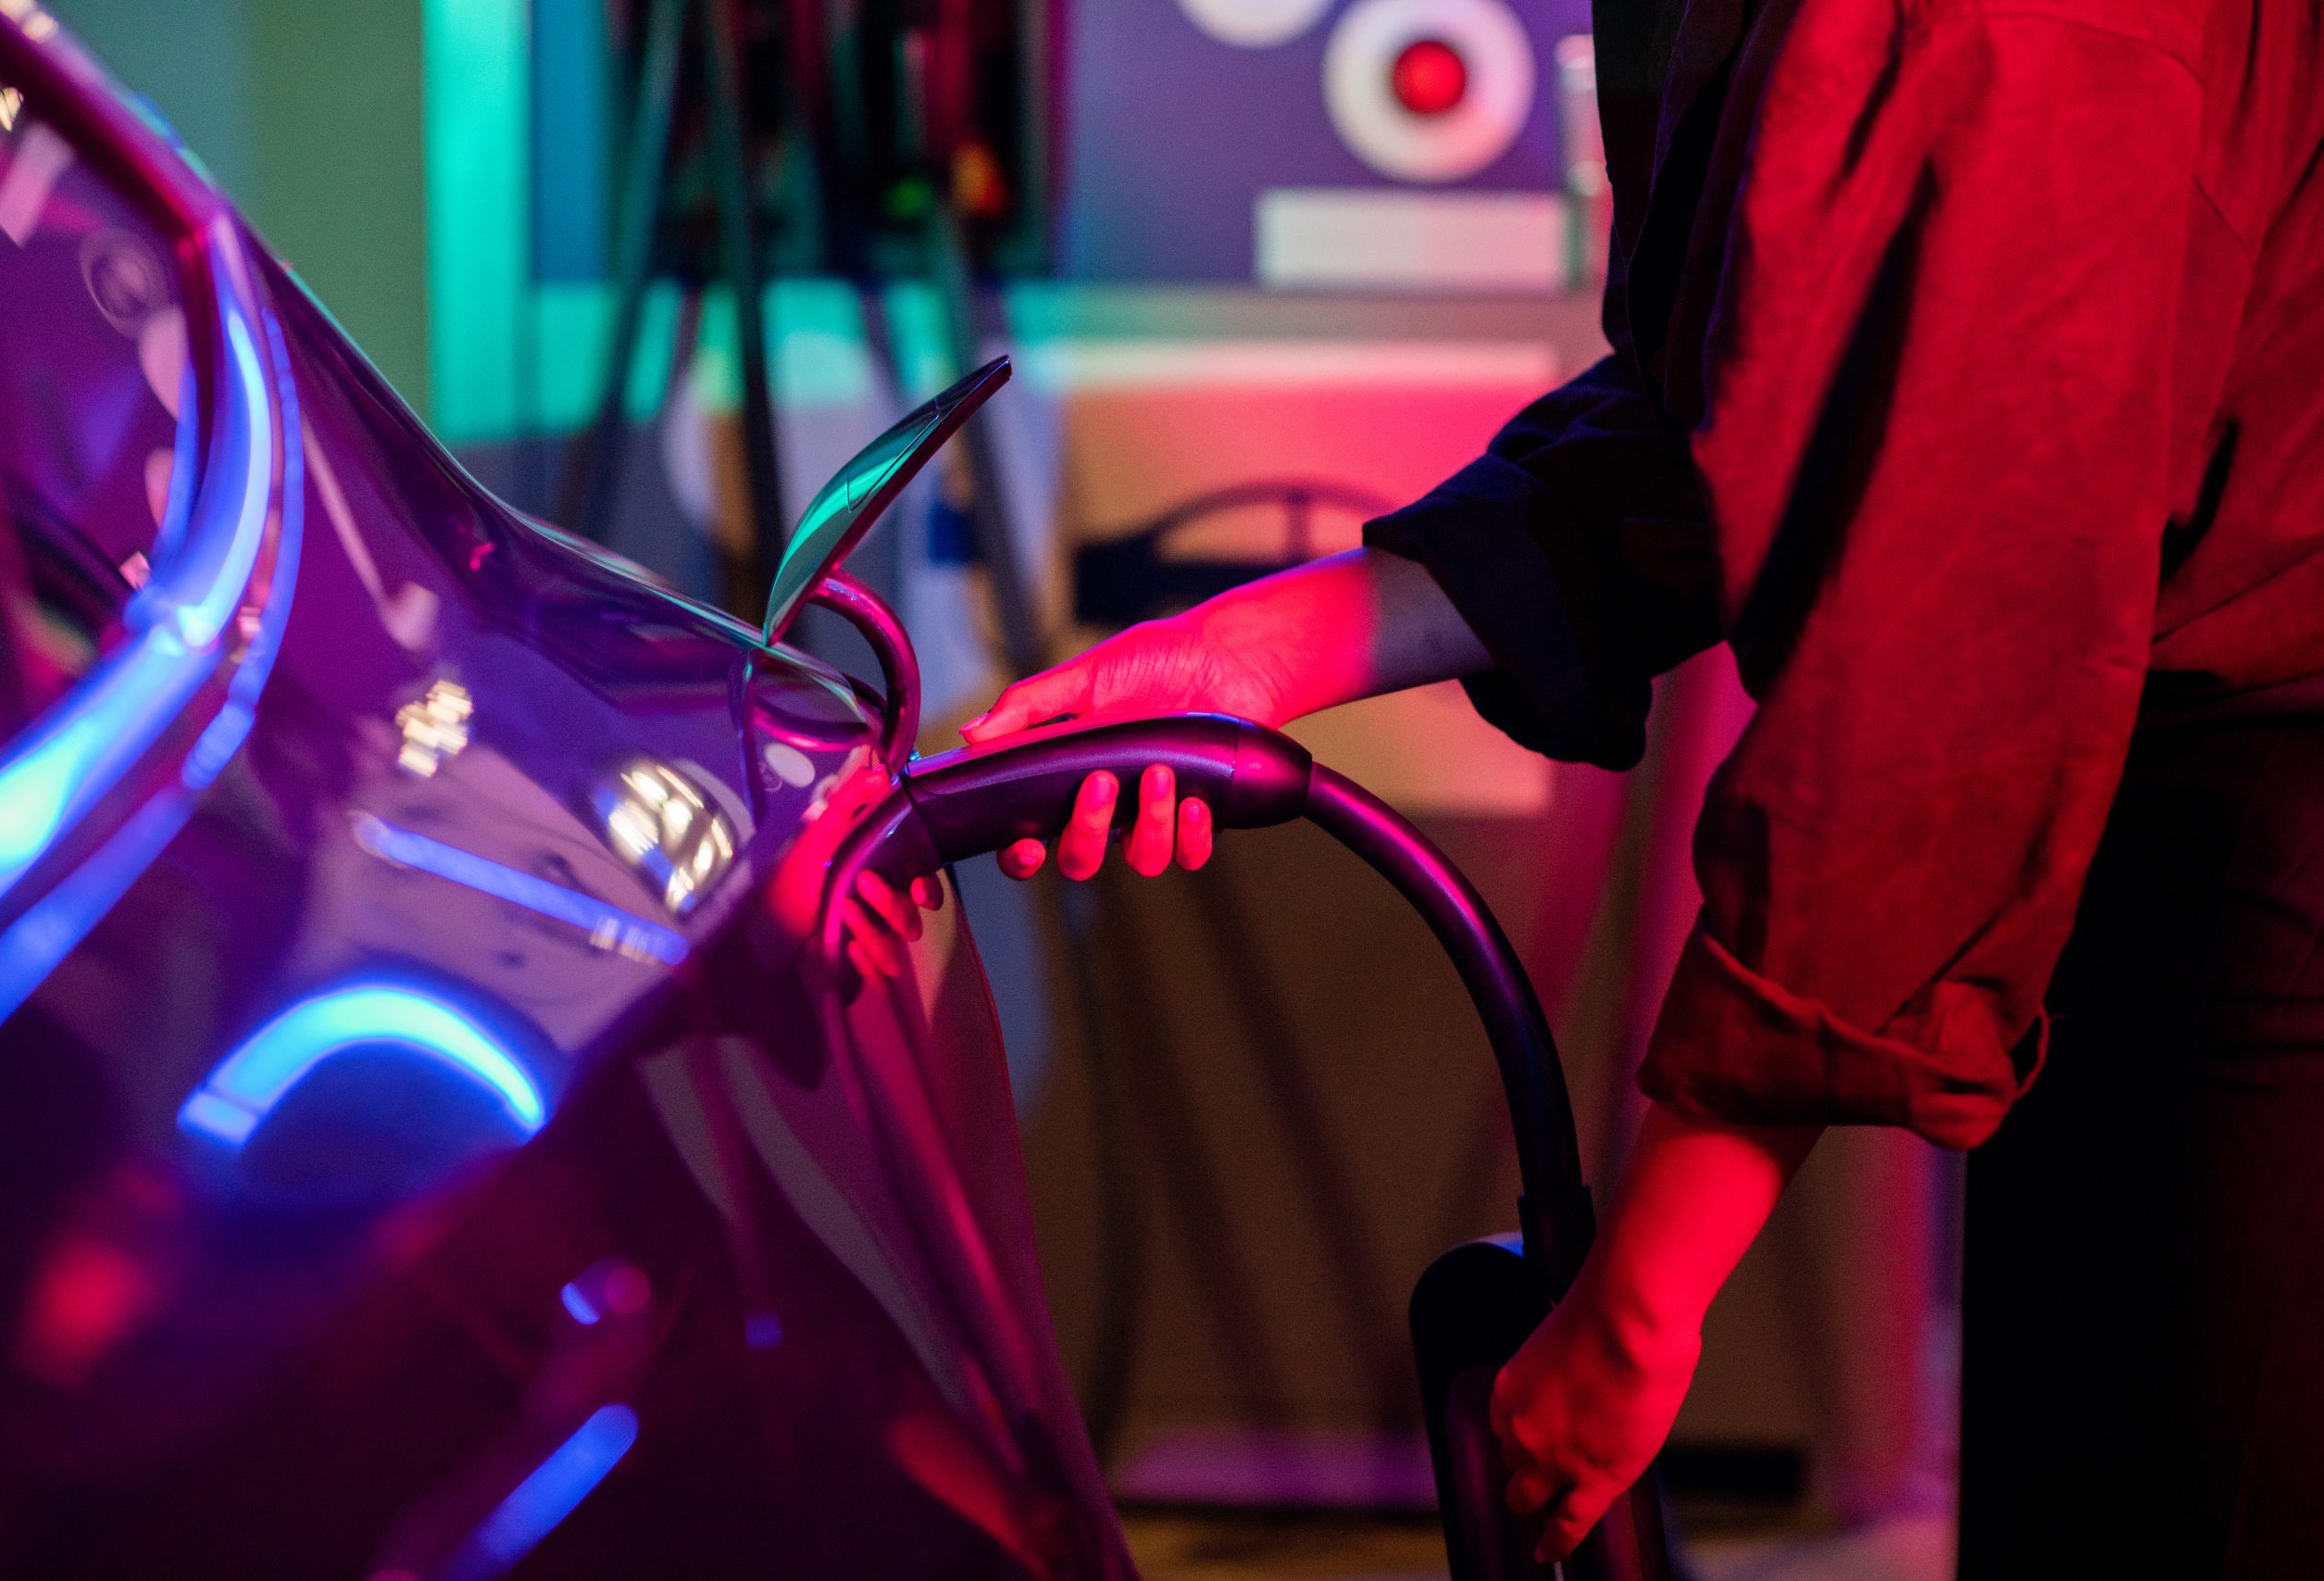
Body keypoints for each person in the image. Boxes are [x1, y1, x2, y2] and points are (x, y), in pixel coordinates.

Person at [959, 0, 2324, 1571]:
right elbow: (1785, 381)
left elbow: (1947, 624)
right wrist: (1260, 650)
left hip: (2273, 816)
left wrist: (1642, 1302)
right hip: (2160, 815)